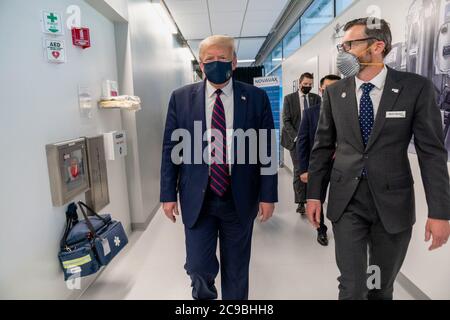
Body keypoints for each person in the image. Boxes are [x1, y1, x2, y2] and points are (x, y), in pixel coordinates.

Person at [306, 17, 450, 300]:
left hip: (392, 204)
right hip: (347, 202)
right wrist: (314, 195)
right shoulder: (336, 92)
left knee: (380, 288)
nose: (343, 51)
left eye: (349, 44)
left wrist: (440, 212)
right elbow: (322, 148)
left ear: (377, 46)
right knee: (353, 286)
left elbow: (431, 153)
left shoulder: (415, 88)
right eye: (341, 45)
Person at [160, 35, 278, 300]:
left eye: (222, 58)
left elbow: (267, 150)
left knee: (236, 267)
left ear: (234, 62)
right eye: (209, 59)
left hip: (239, 198)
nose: (216, 64)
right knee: (198, 266)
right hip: (197, 197)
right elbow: (170, 149)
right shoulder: (181, 98)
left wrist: (268, 196)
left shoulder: (256, 98)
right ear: (201, 65)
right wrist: (167, 194)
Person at [297, 74, 341, 246]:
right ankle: (321, 229)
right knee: (318, 197)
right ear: (321, 90)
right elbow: (302, 142)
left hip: (342, 167)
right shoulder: (310, 113)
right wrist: (303, 169)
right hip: (319, 166)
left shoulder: (352, 112)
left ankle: (342, 229)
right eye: (328, 88)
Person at [281, 73, 321, 215]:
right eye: (305, 84)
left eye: (310, 85)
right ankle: (300, 202)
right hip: (295, 140)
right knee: (299, 170)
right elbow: (286, 121)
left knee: (312, 170)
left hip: (312, 141)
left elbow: (320, 119)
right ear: (299, 83)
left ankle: (312, 198)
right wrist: (297, 137)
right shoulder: (289, 99)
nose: (308, 87)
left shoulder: (316, 98)